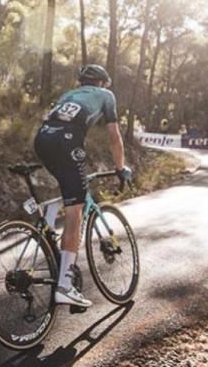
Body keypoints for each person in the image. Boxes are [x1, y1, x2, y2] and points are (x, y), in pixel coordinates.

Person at [35, 64, 133, 308]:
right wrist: (121, 168)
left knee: (69, 193)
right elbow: (114, 137)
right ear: (102, 82)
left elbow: (52, 119)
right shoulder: (106, 95)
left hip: (42, 139)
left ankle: (47, 226)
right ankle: (65, 287)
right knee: (75, 210)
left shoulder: (67, 95)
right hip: (66, 143)